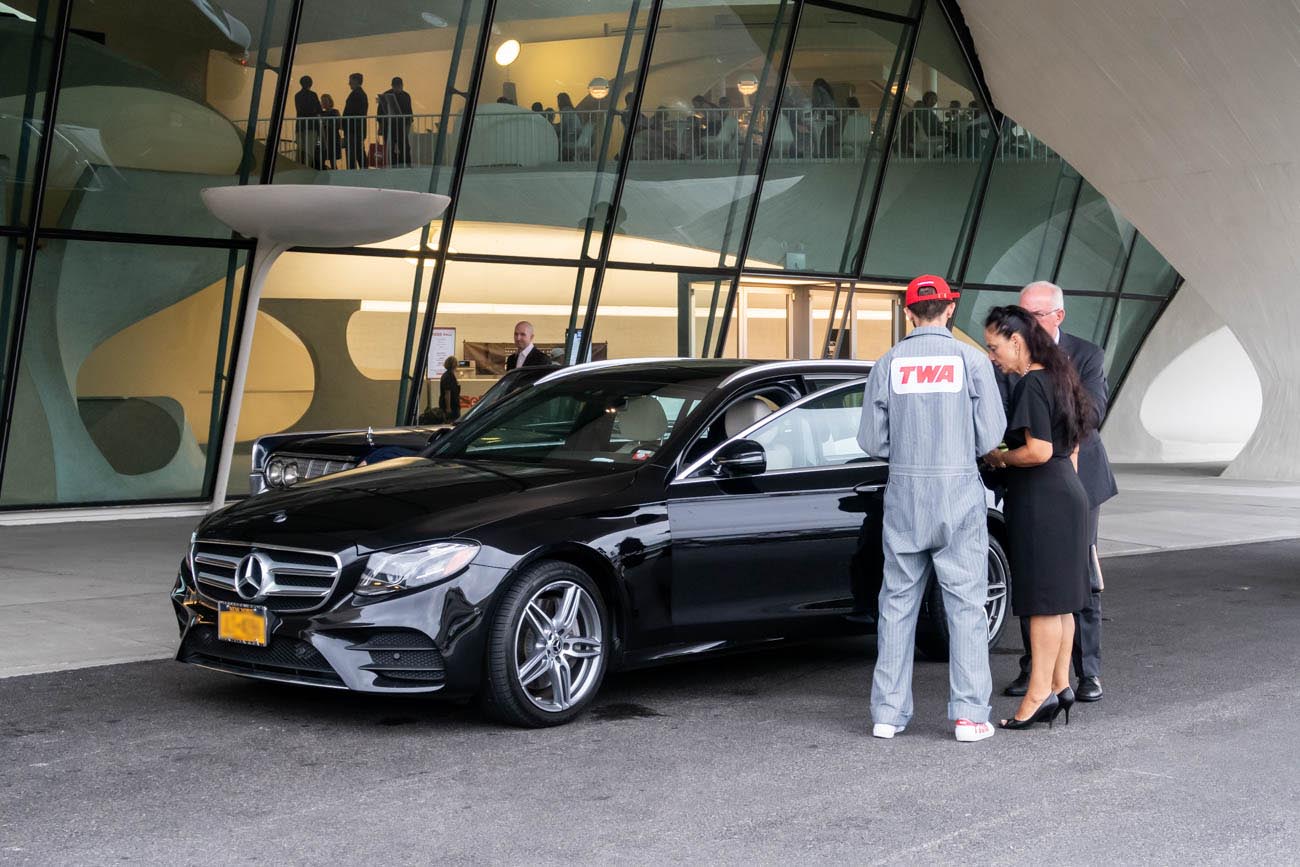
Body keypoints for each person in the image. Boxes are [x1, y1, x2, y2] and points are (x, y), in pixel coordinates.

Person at [858, 274, 1007, 744]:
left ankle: (887, 714)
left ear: (907, 313)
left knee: (897, 602)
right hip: (958, 492)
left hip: (904, 494)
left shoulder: (888, 363)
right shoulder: (972, 361)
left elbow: (871, 440)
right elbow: (989, 436)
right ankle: (967, 716)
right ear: (949, 310)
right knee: (965, 604)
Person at [1000, 281, 1117, 703]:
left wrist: (1041, 423)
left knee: (1080, 575)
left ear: (1058, 316)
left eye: (1036, 315)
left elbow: (1093, 412)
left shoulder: (1085, 354)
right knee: (1036, 577)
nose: (1027, 322)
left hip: (1076, 478)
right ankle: (1038, 669)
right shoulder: (1010, 357)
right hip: (1030, 479)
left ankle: (1087, 673)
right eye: (1022, 313)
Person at [982, 305, 1094, 729]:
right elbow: (1071, 446)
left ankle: (1038, 695)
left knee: (1045, 605)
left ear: (1016, 340)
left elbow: (1038, 451)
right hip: (1067, 492)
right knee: (1062, 603)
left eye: (995, 347)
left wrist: (999, 456)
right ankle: (1061, 685)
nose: (993, 357)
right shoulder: (1059, 375)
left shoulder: (1031, 383)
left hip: (1042, 497)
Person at [377, 77, 414, 167]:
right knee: (391, 147)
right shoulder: (387, 95)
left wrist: (407, 127)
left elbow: (409, 113)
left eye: (398, 86)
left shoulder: (405, 96)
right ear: (392, 86)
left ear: (402, 85)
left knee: (404, 147)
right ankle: (395, 165)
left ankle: (406, 165)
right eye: (395, 86)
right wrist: (381, 127)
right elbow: (380, 112)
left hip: (400, 126)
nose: (397, 88)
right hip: (389, 126)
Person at [293, 75, 322, 169]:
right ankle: (307, 168)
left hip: (300, 126)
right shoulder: (313, 95)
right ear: (311, 84)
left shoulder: (297, 95)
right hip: (311, 126)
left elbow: (300, 110)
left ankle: (298, 167)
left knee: (300, 149)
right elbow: (318, 110)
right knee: (309, 150)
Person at [343, 72, 368, 169]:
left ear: (356, 81)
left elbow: (350, 111)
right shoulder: (361, 94)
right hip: (357, 128)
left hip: (353, 129)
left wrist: (344, 123)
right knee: (358, 151)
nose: (349, 83)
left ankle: (352, 172)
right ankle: (364, 170)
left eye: (351, 81)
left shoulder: (356, 94)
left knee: (353, 152)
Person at [318, 94, 342, 169]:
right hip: (323, 137)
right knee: (322, 157)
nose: (324, 103)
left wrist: (327, 123)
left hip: (333, 137)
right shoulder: (321, 113)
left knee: (332, 158)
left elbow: (339, 124)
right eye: (322, 101)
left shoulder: (335, 112)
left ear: (330, 102)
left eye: (325, 101)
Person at [439, 355, 462, 422]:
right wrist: (448, 408)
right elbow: (447, 392)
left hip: (452, 403)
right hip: (452, 405)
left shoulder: (448, 375)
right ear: (454, 364)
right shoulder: (448, 376)